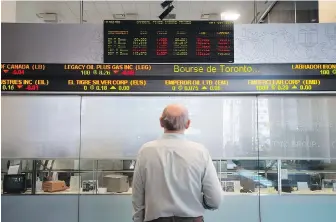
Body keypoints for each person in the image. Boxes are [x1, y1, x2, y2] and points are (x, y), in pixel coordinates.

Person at [132, 104, 222, 222]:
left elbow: (137, 196)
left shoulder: (146, 151)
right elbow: (215, 200)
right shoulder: (200, 152)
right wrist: (203, 203)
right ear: (188, 124)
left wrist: (138, 219)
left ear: (161, 122)